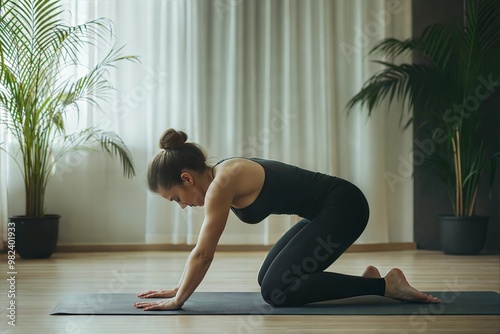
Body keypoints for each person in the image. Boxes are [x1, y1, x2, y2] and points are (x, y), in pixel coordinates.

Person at [134, 128, 441, 311]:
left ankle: (387, 285)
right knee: (267, 280)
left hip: (345, 207)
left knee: (276, 291)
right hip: (327, 210)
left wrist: (178, 299)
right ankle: (368, 281)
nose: (182, 207)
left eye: (176, 199)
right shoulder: (222, 174)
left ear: (186, 178)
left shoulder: (222, 184)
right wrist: (178, 287)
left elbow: (203, 253)